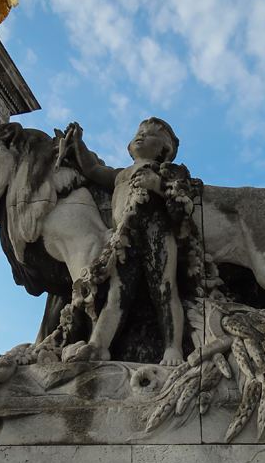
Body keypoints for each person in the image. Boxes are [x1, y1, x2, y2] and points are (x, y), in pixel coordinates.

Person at [62, 118, 186, 366]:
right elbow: (93, 170)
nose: (141, 136)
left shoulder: (167, 171)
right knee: (116, 294)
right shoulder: (120, 175)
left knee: (164, 288)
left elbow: (182, 201)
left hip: (156, 231)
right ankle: (98, 345)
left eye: (150, 135)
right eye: (139, 132)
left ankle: (173, 348)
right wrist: (78, 144)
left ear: (165, 150)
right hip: (123, 238)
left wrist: (158, 185)